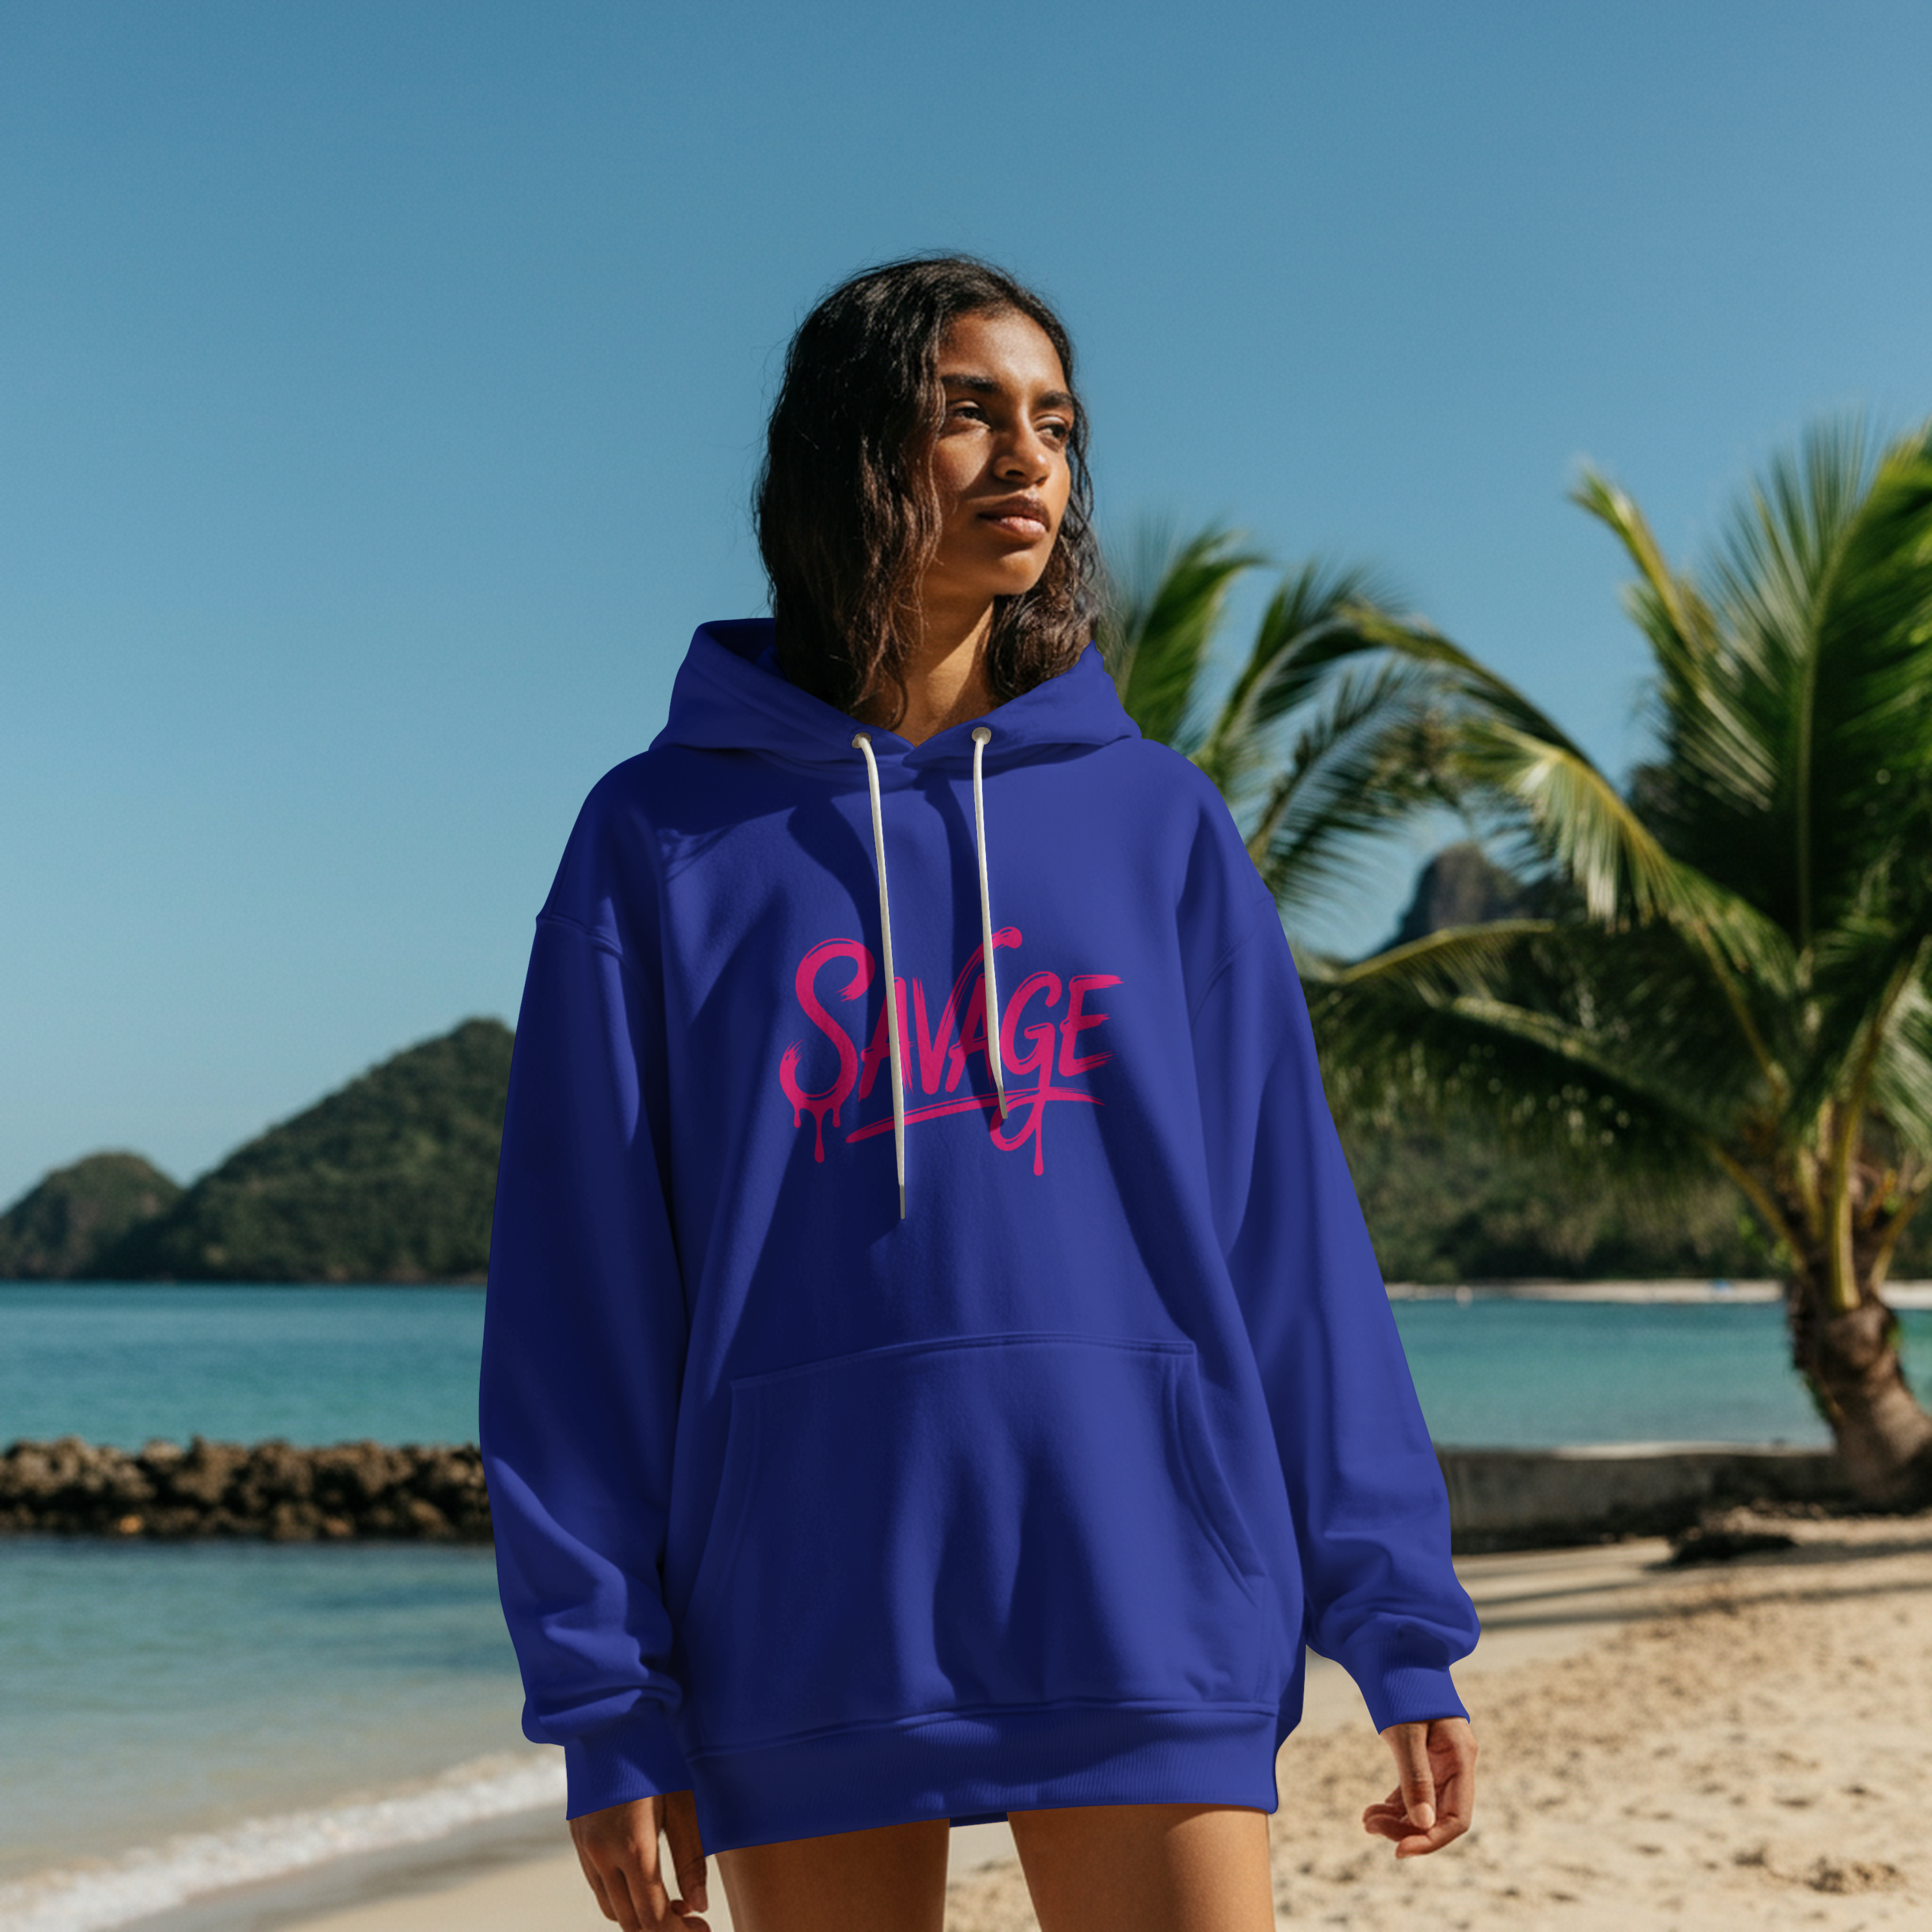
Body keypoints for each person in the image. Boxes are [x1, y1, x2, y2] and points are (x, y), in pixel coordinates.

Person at [478, 253, 1480, 1932]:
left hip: (1150, 1582)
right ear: (851, 453)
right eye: (969, 413)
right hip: (803, 1612)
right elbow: (581, 1301)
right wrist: (603, 1694)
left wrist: (1399, 1621)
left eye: (1056, 423)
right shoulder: (659, 838)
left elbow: (1290, 1245)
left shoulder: (1157, 823)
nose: (1029, 458)